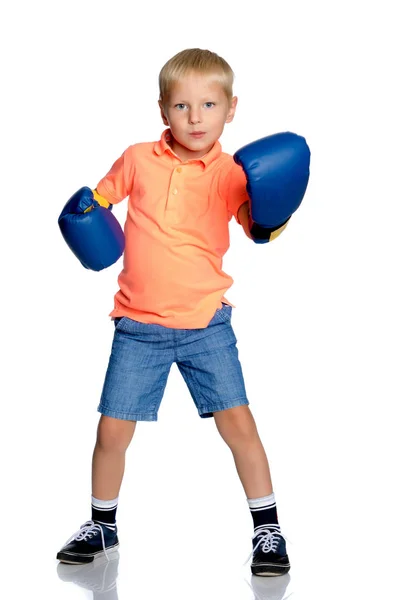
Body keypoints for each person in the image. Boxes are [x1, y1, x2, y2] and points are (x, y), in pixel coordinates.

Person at [57, 47, 309, 577]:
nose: (196, 118)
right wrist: (86, 217)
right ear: (162, 110)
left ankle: (268, 529)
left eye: (210, 105)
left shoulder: (234, 173)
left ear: (232, 109)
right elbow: (99, 202)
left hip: (205, 324)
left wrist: (277, 213)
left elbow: (257, 228)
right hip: (137, 325)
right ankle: (102, 525)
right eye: (182, 107)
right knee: (111, 432)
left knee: (239, 424)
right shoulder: (136, 158)